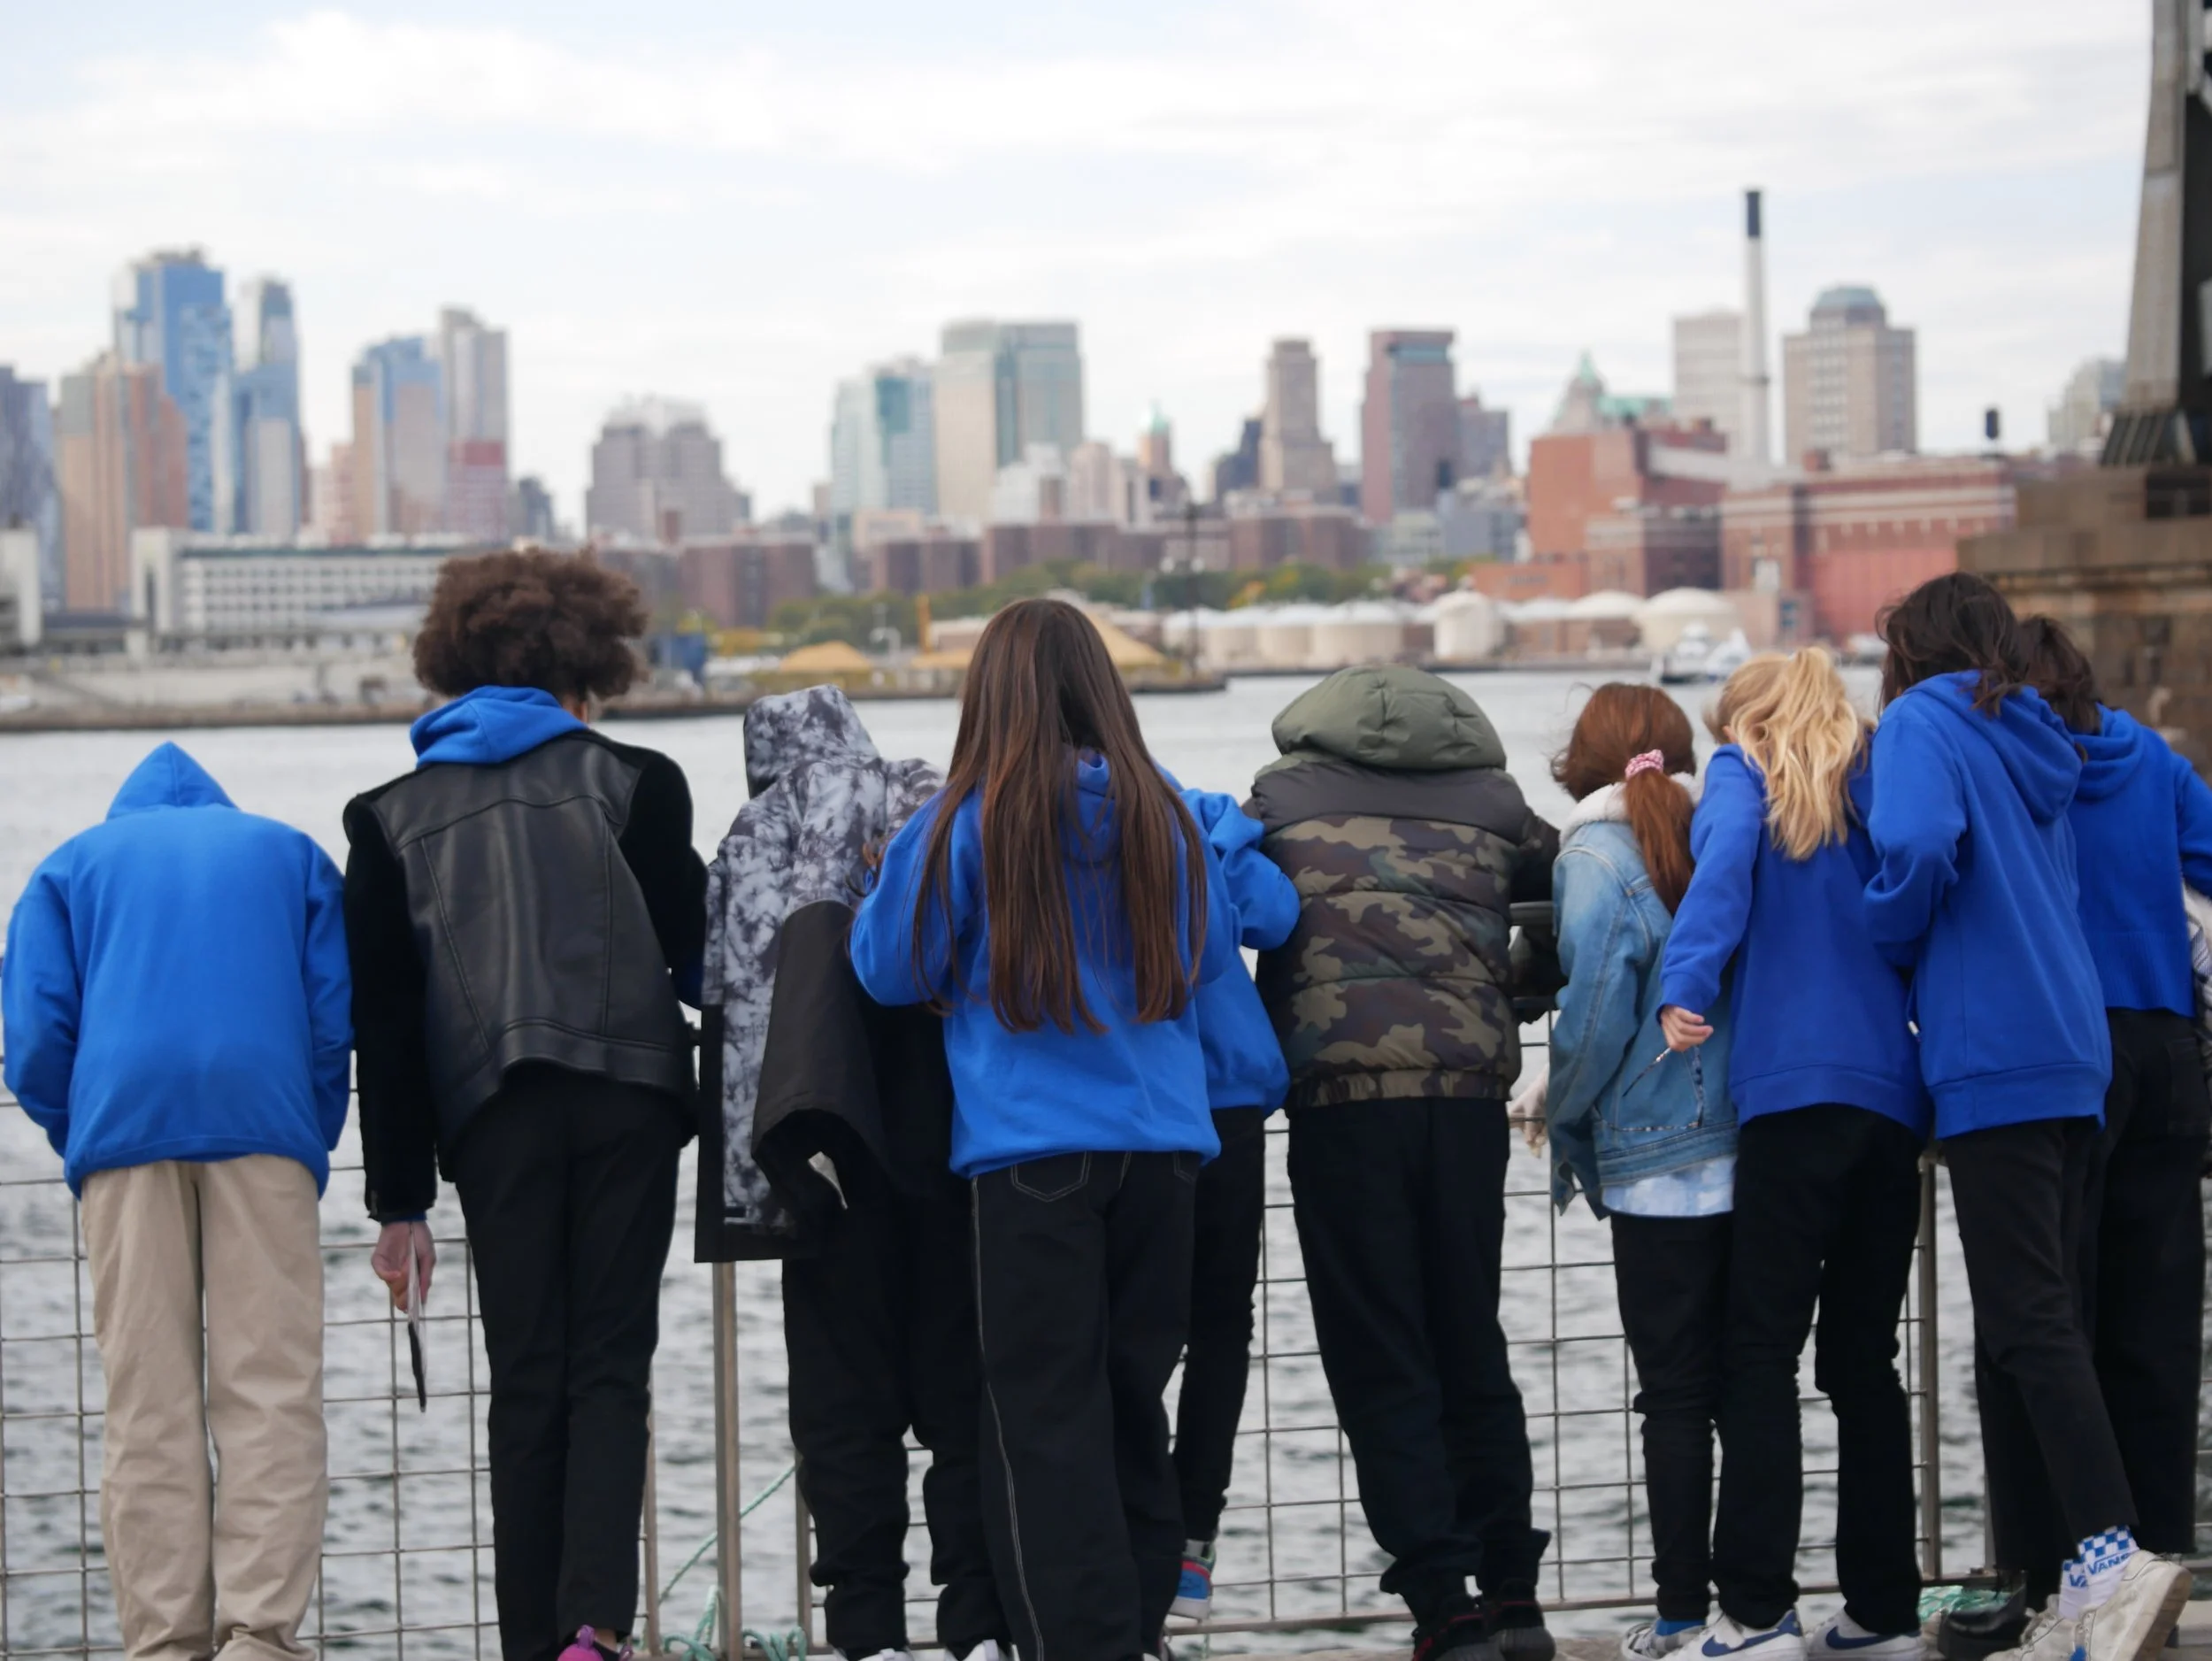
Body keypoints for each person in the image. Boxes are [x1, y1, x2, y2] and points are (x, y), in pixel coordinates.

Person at [848, 597, 1240, 1661]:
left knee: (1042, 1423)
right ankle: (1140, 1626)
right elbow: (1207, 958)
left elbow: (888, 967)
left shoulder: (966, 822)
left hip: (1029, 1161)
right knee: (1129, 1407)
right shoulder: (1167, 817)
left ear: (989, 696)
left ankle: (1083, 1642)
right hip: (1163, 1151)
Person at [343, 550, 707, 1661]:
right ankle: (593, 1628)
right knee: (611, 1362)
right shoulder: (640, 780)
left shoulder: (383, 817)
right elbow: (702, 963)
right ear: (586, 665)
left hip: (491, 1119)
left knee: (526, 1376)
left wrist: (400, 1203)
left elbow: (389, 1033)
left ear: (450, 665)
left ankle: (527, 1641)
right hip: (634, 1101)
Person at [1863, 573, 2187, 1661]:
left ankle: (2107, 1559)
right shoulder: (2038, 734)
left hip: (1990, 1047)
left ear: (1914, 648)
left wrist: (1884, 932)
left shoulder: (1920, 722)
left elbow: (1908, 845)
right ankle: (2082, 1573)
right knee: (2043, 1309)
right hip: (2072, 1043)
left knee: (2028, 1314)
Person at [2, 742, 350, 1661]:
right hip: (264, 1121)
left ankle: (163, 1641)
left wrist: (79, 1126)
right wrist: (307, 1129)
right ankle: (260, 1636)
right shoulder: (289, 853)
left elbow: (34, 1029)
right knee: (270, 1388)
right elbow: (332, 1015)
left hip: (123, 1123)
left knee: (146, 1396)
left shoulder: (68, 865)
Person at [1248, 664, 1557, 1661]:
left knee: (1379, 1347)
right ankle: (1514, 1593)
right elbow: (1570, 906)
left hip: (1341, 1106)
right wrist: (1513, 993)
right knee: (1470, 1335)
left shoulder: (1281, 798)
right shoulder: (1502, 807)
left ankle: (1442, 1602)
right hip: (1466, 1103)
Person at [702, 684, 1010, 1661]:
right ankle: (979, 1619)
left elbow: (714, 980)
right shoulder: (938, 801)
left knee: (843, 1407)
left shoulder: (763, 828)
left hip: (823, 1152)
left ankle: (866, 1628)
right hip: (953, 1141)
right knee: (967, 1398)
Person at [1655, 651, 1931, 1661]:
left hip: (1790, 1094)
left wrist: (1686, 982)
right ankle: (1883, 1613)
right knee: (1865, 1361)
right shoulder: (1876, 778)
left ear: (1747, 717)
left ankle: (1760, 1610)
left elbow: (1723, 869)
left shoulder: (1741, 774)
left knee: (1757, 1355)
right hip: (1892, 1099)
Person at [1981, 619, 2212, 1602]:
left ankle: (2050, 1561)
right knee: (2157, 1317)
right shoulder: (2153, 762)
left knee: (2040, 1313)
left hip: (2062, 1048)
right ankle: (2159, 1550)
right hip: (2166, 1047)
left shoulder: (2012, 768)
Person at [1540, 685, 1737, 1661]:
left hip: (1655, 1164)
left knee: (1672, 1395)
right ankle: (1756, 1606)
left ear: (1584, 759)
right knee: (1752, 1382)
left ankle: (1677, 1615)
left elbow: (1591, 1018)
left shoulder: (1591, 859)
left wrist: (1556, 1110)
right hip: (1750, 1139)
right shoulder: (1726, 837)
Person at [1168, 787, 1302, 1622]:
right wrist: (1226, 838)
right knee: (1222, 1321)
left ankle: (1141, 1525)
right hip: (1231, 1102)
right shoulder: (1197, 821)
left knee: (1130, 1326)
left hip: (1142, 1106)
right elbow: (1276, 916)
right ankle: (1191, 1539)